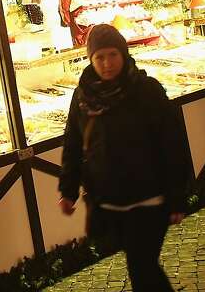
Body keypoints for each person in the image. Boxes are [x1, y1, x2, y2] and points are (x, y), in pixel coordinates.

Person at [58, 24, 189, 291]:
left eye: (113, 55)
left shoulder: (147, 90)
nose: (107, 64)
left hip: (149, 198)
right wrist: (68, 190)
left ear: (124, 53)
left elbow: (172, 145)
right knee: (141, 266)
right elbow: (73, 143)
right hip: (108, 201)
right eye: (99, 57)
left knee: (142, 266)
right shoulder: (83, 96)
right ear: (91, 59)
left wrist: (177, 197)